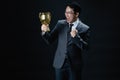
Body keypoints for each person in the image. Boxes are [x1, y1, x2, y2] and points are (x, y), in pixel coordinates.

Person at [41, 1, 90, 80]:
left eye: (69, 12)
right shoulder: (60, 24)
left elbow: (86, 47)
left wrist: (76, 37)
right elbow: (50, 40)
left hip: (75, 66)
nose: (66, 15)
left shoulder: (85, 28)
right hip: (60, 64)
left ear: (77, 14)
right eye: (65, 12)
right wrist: (44, 32)